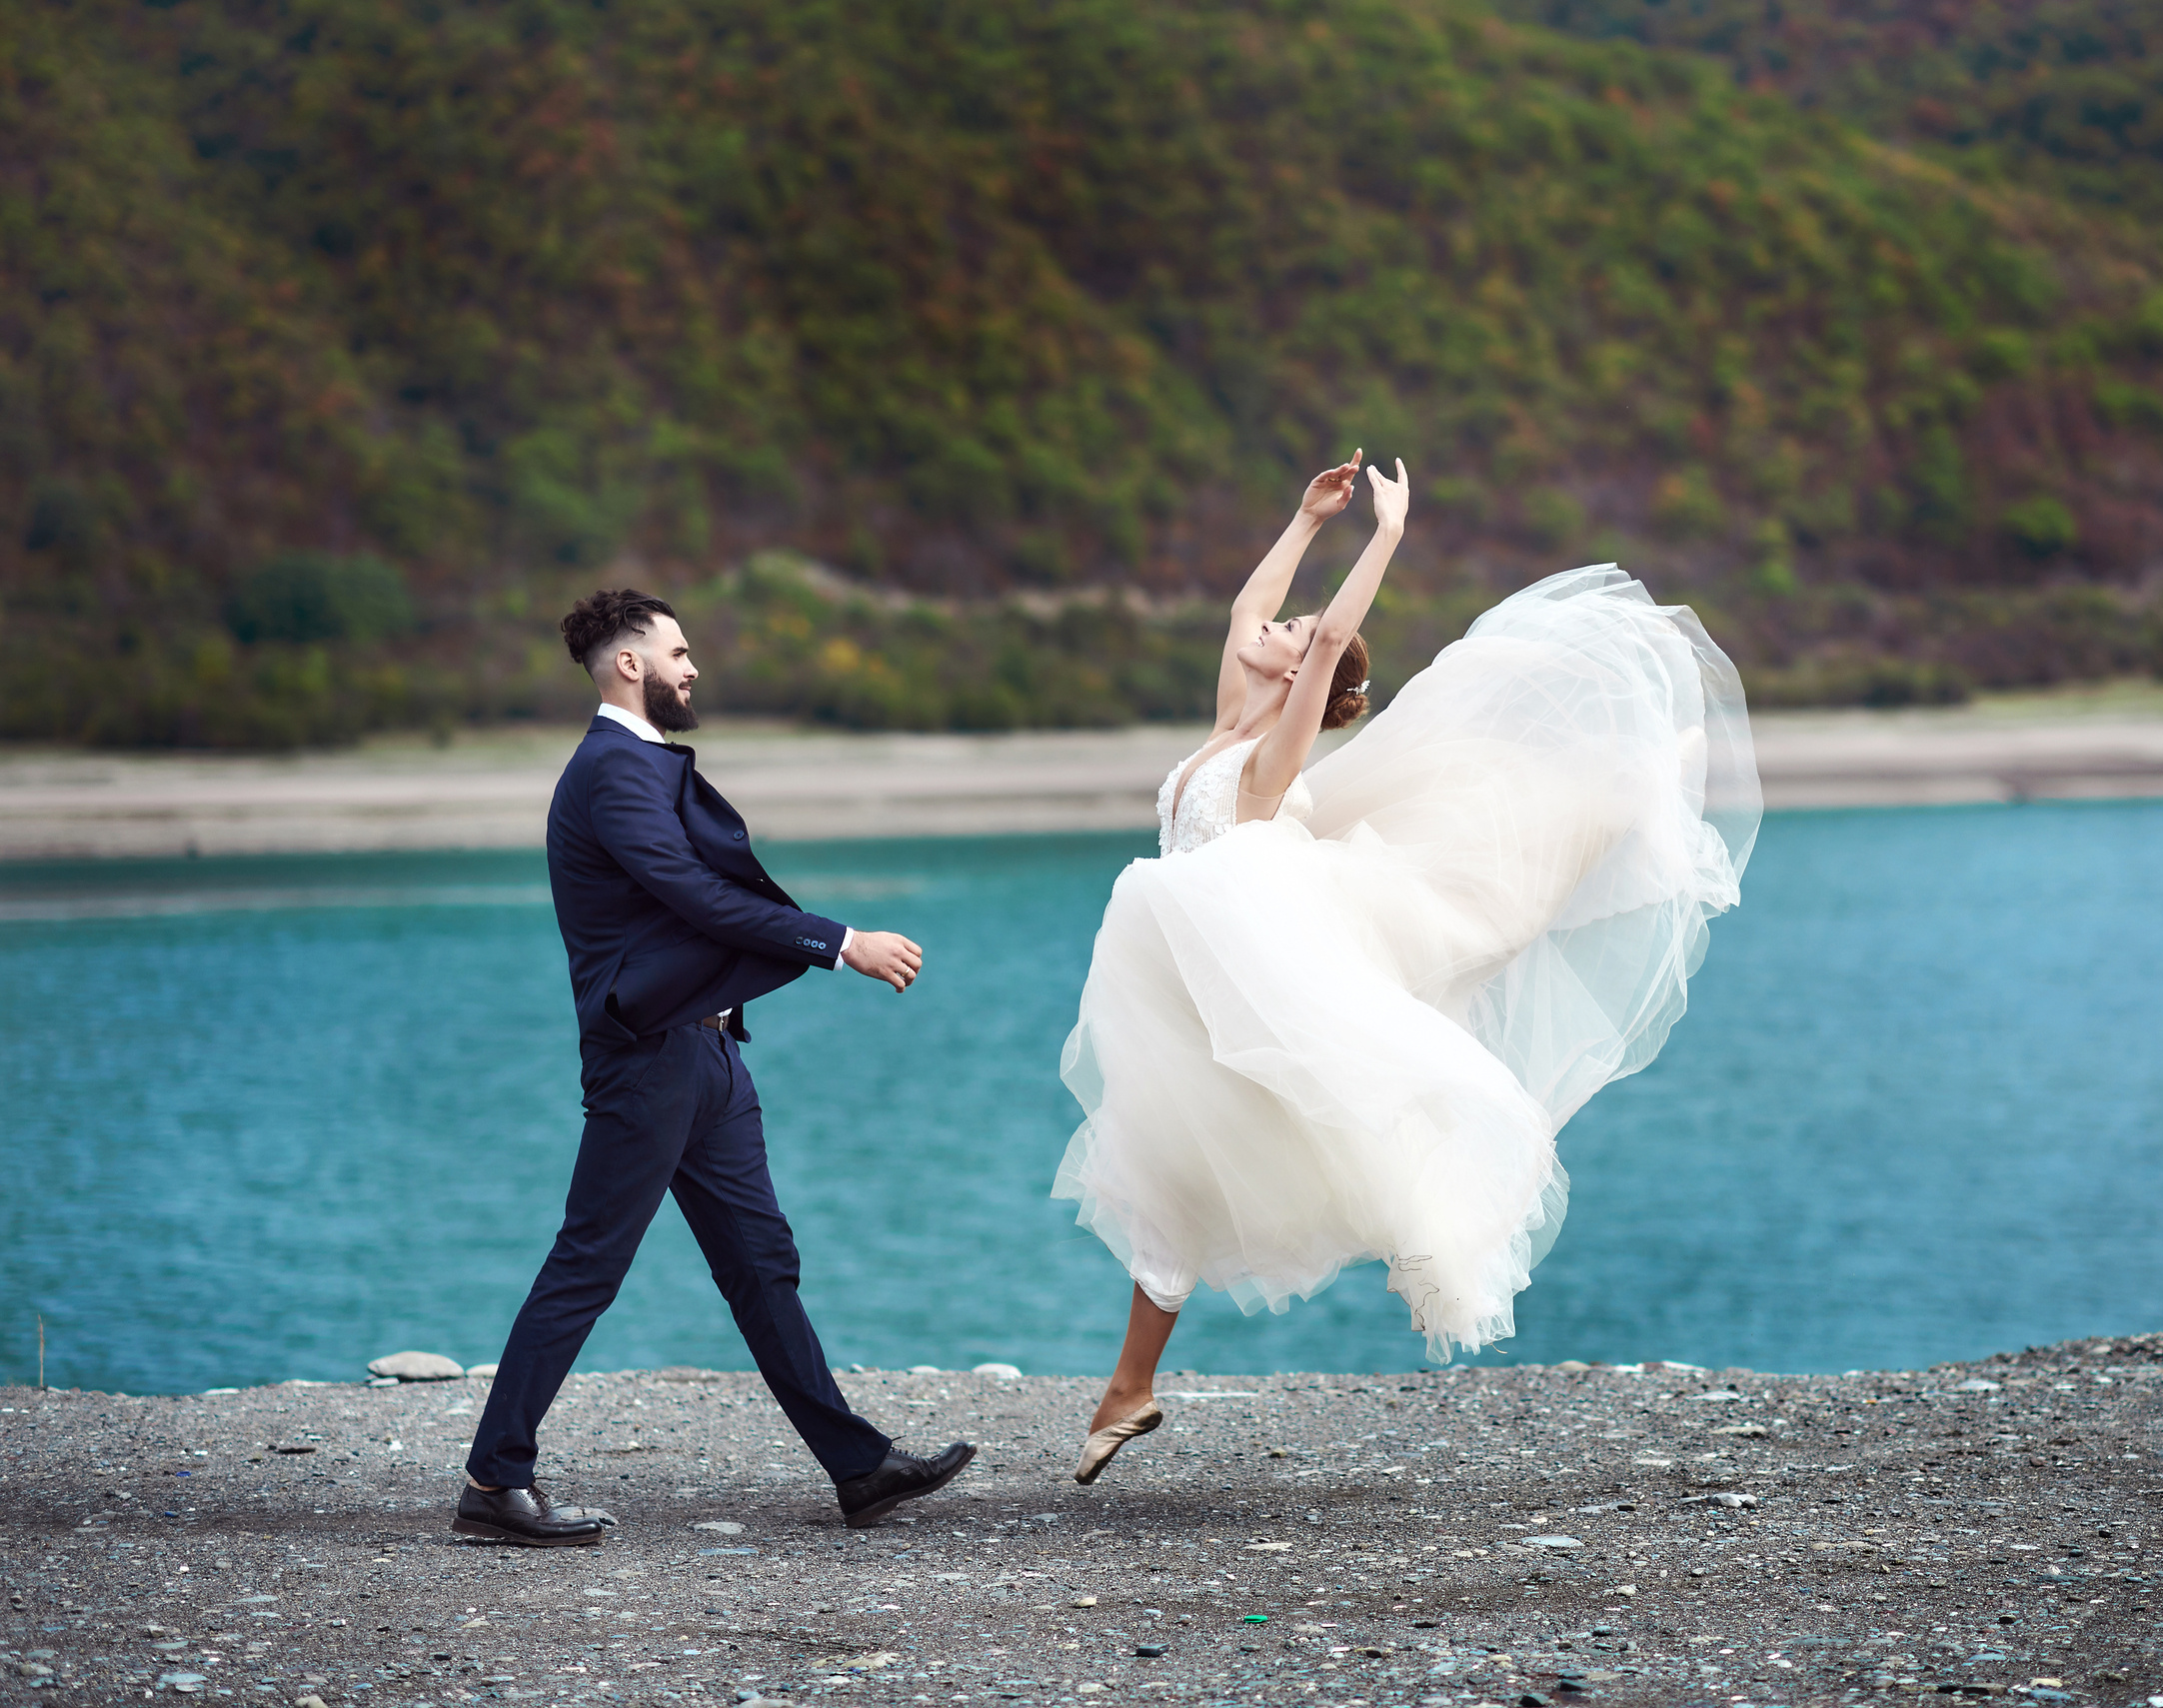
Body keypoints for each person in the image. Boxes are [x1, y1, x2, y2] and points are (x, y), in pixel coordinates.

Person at [1053, 454, 1761, 1483]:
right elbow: (1247, 608)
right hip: (1187, 976)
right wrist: (1306, 518)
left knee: (1322, 1114)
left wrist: (1385, 532)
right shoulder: (1226, 726)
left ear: (1301, 672)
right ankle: (1129, 1388)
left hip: (1253, 964)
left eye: (1293, 632)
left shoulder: (1270, 757)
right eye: (1284, 625)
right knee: (1171, 1173)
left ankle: (1641, 789)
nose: (1276, 625)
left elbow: (1330, 635)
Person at [454, 590, 972, 1546]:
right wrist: (840, 942)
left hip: (709, 1054)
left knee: (762, 1264)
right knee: (588, 1263)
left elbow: (696, 901)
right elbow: (694, 895)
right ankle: (494, 1479)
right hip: (647, 1060)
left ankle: (859, 1468)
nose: (692, 668)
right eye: (678, 652)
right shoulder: (609, 769)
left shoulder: (642, 760)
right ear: (629, 664)